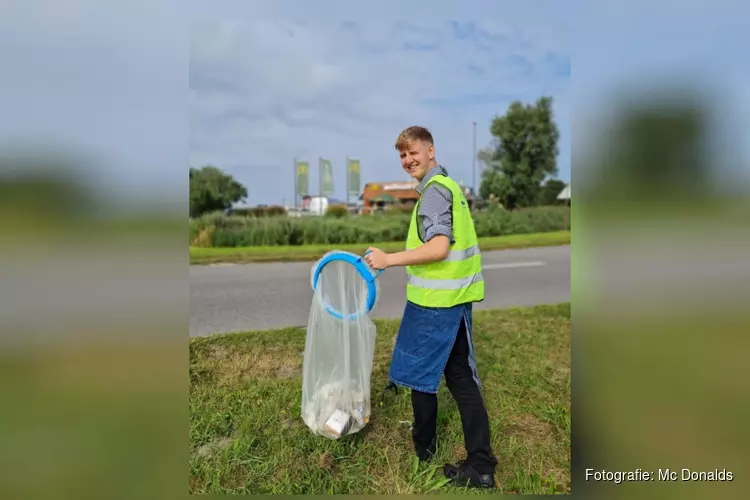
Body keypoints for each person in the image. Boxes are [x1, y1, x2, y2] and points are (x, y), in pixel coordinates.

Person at [363, 126, 497, 489]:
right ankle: (480, 464)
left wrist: (388, 259)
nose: (408, 160)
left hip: (437, 306)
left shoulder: (436, 192)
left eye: (413, 152)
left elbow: (439, 248)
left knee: (423, 379)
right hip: (452, 302)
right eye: (402, 156)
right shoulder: (448, 187)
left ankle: (426, 451)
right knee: (460, 380)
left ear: (431, 150)